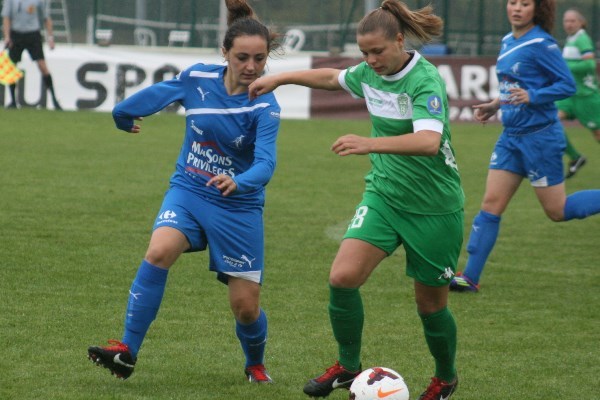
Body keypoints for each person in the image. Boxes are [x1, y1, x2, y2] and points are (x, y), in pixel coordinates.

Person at [250, 1, 463, 399]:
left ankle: (445, 378)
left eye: (378, 51)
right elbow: (333, 77)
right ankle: (348, 366)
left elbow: (429, 142)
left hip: (435, 207)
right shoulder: (369, 73)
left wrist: (370, 143)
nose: (370, 60)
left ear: (400, 40)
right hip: (384, 195)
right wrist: (280, 78)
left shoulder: (425, 80)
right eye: (364, 53)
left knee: (430, 306)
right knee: (342, 279)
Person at [87, 0, 280, 384]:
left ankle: (254, 364)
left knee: (245, 308)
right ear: (224, 53)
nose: (251, 67)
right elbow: (159, 94)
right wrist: (122, 114)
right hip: (190, 190)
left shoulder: (265, 105)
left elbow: (266, 164)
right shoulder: (197, 78)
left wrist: (238, 181)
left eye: (259, 59)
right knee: (159, 251)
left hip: (238, 207)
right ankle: (127, 351)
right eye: (242, 57)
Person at [449, 0, 600, 293]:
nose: (517, 8)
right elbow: (512, 84)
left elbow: (567, 86)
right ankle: (470, 277)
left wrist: (533, 95)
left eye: (525, 3)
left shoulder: (542, 44)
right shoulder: (507, 40)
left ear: (537, 9)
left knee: (557, 211)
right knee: (490, 205)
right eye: (513, 2)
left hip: (540, 137)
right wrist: (495, 104)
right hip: (511, 136)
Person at [556, 8, 600, 179]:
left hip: (586, 97)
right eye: (566, 21)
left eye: (572, 21)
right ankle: (575, 157)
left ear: (581, 23)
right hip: (570, 95)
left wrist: (566, 66)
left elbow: (589, 65)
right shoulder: (571, 39)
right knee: (551, 119)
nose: (568, 24)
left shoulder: (582, 39)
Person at [1, 0, 62, 110]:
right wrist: (7, 36)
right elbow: (6, 18)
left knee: (42, 66)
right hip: (16, 35)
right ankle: (13, 101)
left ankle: (54, 100)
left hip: (33, 35)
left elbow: (46, 18)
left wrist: (50, 38)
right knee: (12, 67)